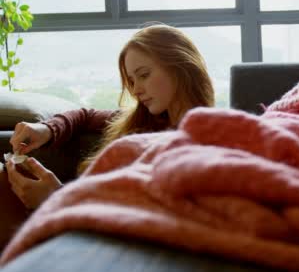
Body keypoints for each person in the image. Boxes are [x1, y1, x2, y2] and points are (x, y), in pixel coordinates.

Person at [4, 22, 215, 210]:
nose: (136, 90)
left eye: (144, 75)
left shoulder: (204, 141)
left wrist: (57, 198)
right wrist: (46, 130)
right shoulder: (142, 120)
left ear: (181, 67)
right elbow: (85, 116)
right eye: (132, 80)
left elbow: (149, 214)